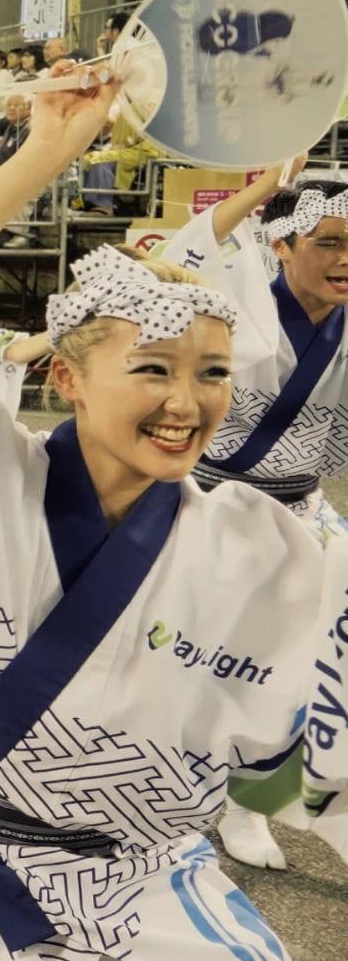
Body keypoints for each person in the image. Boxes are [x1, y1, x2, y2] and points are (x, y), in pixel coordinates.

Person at [0, 73, 348, 960]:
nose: (187, 402)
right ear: (69, 378)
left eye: (211, 373)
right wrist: (45, 155)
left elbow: (315, 710)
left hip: (141, 874)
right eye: (155, 369)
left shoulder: (261, 546)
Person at [158, 162, 348, 869]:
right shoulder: (234, 304)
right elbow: (174, 269)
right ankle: (176, 796)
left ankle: (252, 800)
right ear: (281, 245)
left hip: (300, 506)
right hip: (208, 501)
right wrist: (256, 192)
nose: (344, 259)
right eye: (327, 241)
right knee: (186, 656)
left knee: (309, 661)